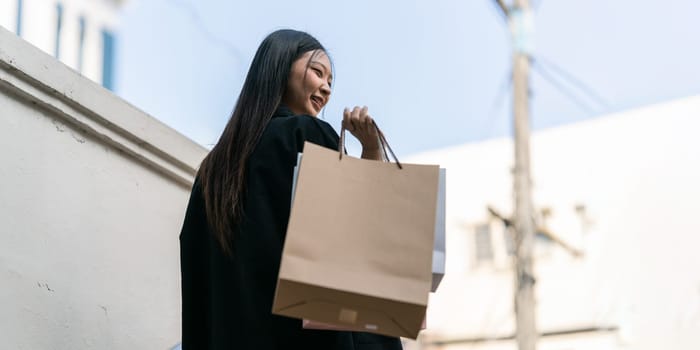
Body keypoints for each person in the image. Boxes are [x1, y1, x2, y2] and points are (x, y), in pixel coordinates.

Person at [179, 29, 403, 350]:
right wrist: (371, 150)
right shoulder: (306, 134)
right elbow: (355, 237)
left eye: (331, 82)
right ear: (281, 68)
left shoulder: (213, 170)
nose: (326, 88)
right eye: (317, 72)